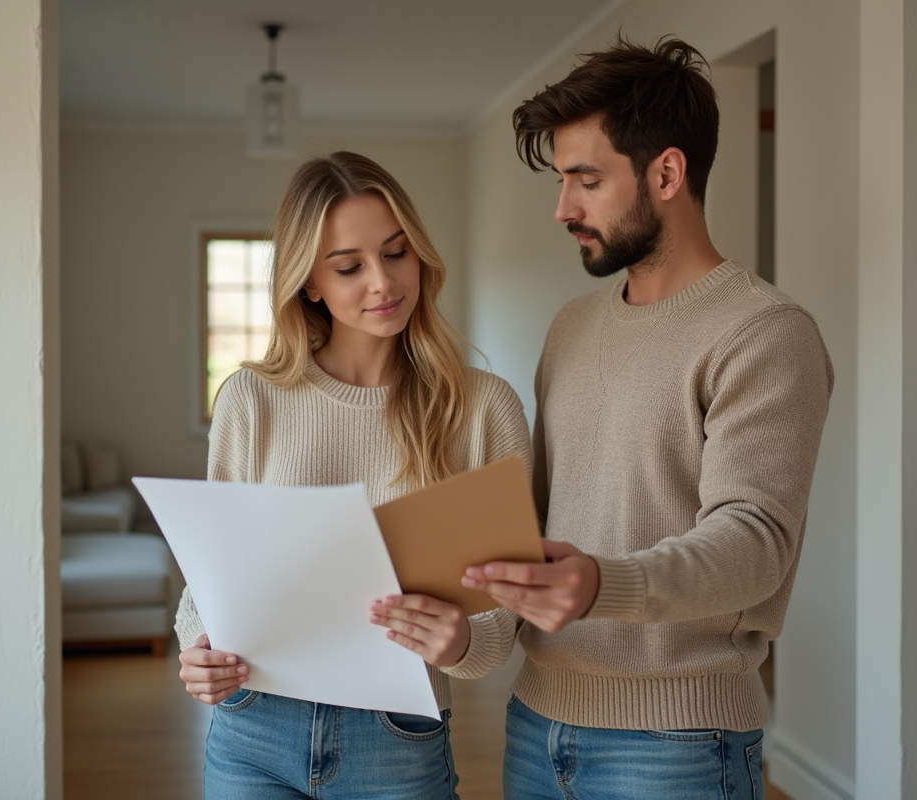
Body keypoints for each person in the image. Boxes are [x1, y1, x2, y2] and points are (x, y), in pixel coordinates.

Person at [442, 36, 835, 800]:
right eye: (562, 181)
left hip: (679, 742)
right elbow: (539, 517)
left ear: (666, 172)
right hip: (536, 720)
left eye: (586, 180)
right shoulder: (570, 326)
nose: (563, 209)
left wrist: (604, 585)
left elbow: (756, 543)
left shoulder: (765, 333)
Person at [174, 151, 530, 800]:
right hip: (254, 725)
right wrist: (195, 647)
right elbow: (209, 576)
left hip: (397, 735)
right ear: (308, 282)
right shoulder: (251, 400)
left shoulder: (483, 408)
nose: (383, 282)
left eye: (396, 253)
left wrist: (459, 643)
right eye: (349, 267)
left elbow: (505, 611)